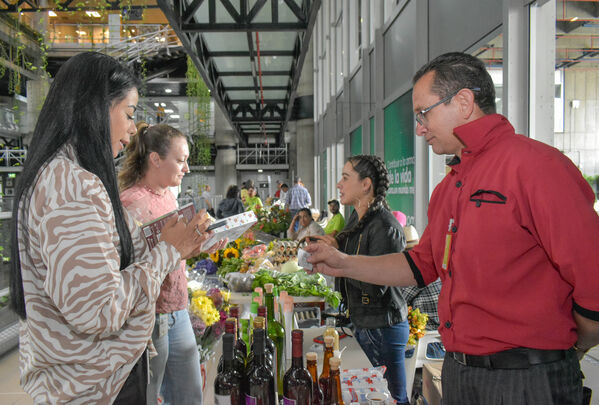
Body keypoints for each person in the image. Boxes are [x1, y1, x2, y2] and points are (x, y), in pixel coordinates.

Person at [306, 52, 599, 405]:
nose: (419, 127)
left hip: (527, 379)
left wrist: (575, 342)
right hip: (460, 373)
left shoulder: (536, 167)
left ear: (463, 102)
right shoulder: (450, 187)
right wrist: (341, 262)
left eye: (423, 113)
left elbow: (593, 275)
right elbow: (421, 265)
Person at [8, 52, 224, 404]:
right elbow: (99, 310)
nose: (131, 130)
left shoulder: (64, 176)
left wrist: (180, 243)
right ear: (95, 107)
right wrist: (168, 251)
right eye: (128, 113)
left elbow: (110, 259)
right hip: (94, 384)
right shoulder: (73, 185)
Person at [312, 155, 410, 404]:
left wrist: (339, 263)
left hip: (383, 327)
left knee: (392, 398)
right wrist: (332, 246)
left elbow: (376, 285)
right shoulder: (357, 219)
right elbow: (347, 254)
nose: (338, 184)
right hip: (364, 321)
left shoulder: (384, 227)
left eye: (345, 178)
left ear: (366, 184)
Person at [118, 123, 203, 405]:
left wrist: (201, 244)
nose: (186, 168)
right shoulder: (131, 204)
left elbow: (173, 254)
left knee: (190, 394)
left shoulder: (168, 195)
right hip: (150, 315)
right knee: (148, 393)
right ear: (155, 159)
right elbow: (130, 266)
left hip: (177, 308)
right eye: (180, 160)